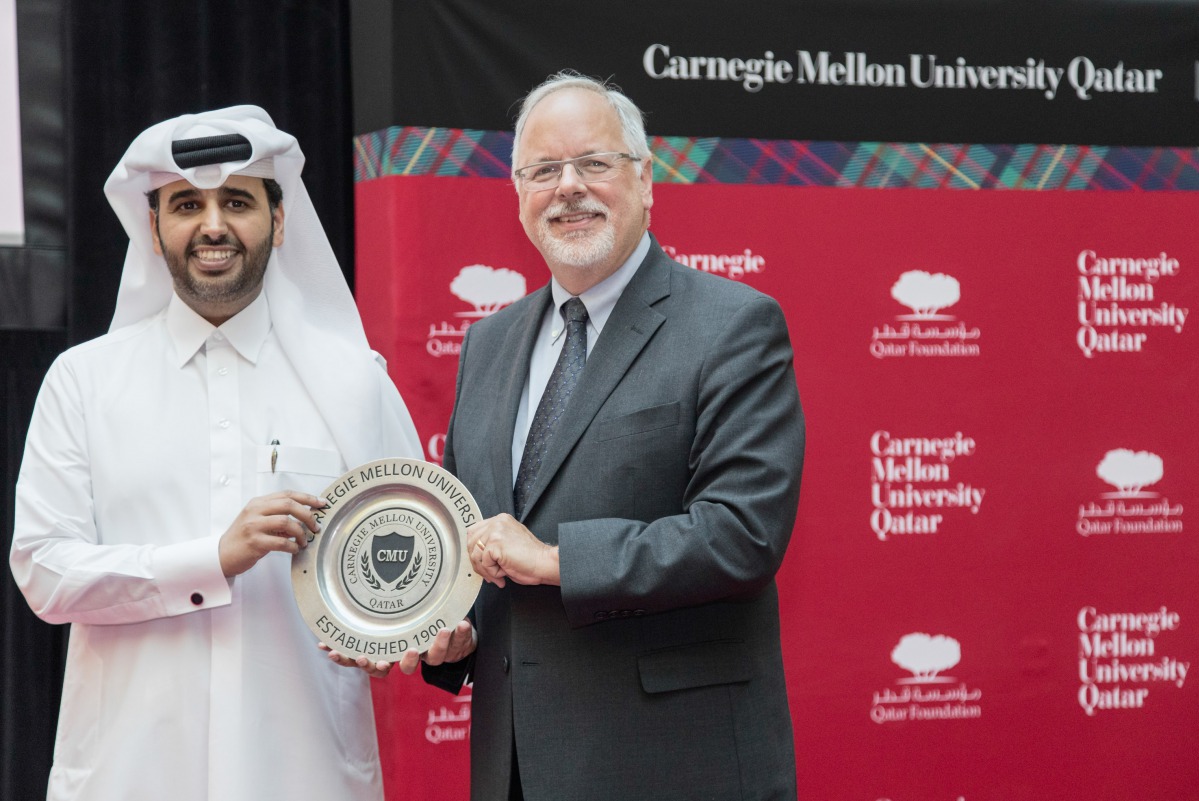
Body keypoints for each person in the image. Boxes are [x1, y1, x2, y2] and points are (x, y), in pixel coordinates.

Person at [334, 71, 805, 800]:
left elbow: (740, 536)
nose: (568, 188)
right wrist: (434, 628)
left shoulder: (733, 326)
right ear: (518, 194)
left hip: (676, 766)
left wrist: (553, 560)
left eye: (593, 163)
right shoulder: (488, 344)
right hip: (517, 768)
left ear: (646, 181)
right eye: (544, 170)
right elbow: (474, 545)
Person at [10, 106, 422, 801]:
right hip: (129, 774)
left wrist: (396, 636)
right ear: (154, 226)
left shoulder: (354, 380)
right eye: (186, 204)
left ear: (280, 221)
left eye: (237, 200)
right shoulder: (83, 381)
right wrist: (211, 558)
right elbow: (45, 570)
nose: (212, 224)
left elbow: (416, 567)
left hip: (304, 772)